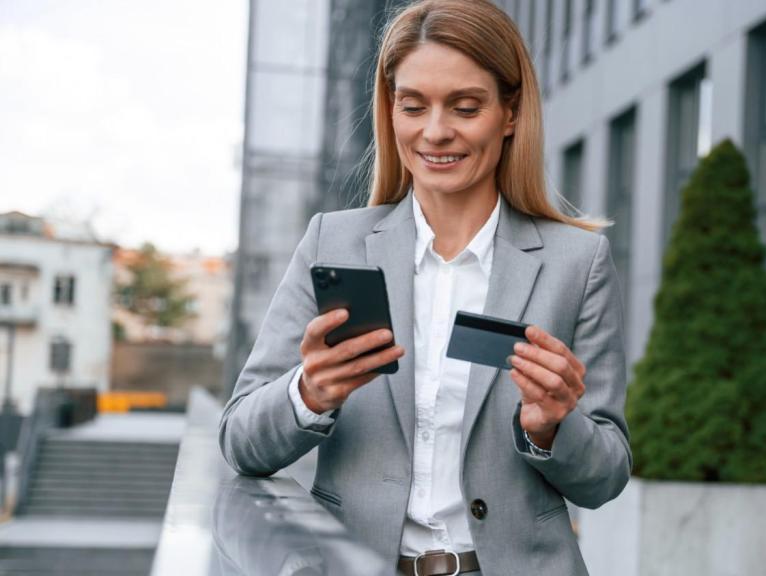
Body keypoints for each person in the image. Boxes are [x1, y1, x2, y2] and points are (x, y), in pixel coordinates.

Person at [219, 1, 631, 574]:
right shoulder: (331, 243)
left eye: (466, 107)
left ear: (510, 113)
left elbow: (607, 474)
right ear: (391, 112)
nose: (436, 132)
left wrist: (554, 426)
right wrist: (310, 392)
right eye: (413, 106)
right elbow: (239, 442)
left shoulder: (576, 262)